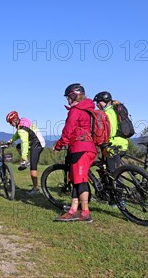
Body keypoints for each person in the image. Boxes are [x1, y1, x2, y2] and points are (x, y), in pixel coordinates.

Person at [53, 83, 97, 223]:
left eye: (68, 97)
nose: (67, 100)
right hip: (89, 147)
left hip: (80, 147)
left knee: (81, 180)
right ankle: (73, 210)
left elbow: (68, 130)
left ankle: (85, 213)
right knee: (76, 180)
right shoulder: (88, 109)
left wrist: (59, 145)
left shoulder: (76, 110)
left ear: (73, 96)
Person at [5, 111, 46, 195]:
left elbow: (24, 143)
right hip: (37, 141)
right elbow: (17, 134)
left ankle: (35, 189)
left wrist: (24, 157)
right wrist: (11, 140)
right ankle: (26, 161)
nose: (10, 124)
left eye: (10, 122)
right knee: (18, 146)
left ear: (14, 120)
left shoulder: (22, 129)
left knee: (33, 167)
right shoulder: (23, 120)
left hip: (38, 144)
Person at [93, 91, 129, 172]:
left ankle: (118, 185)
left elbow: (111, 131)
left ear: (105, 101)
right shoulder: (115, 110)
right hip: (122, 143)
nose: (97, 104)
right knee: (113, 172)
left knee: (113, 175)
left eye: (99, 102)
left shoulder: (108, 112)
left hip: (113, 145)